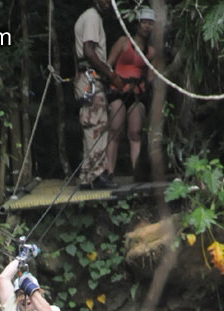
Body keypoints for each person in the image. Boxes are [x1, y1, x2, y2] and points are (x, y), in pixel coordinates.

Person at [74, 0, 125, 190]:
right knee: (97, 124)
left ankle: (87, 176)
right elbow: (89, 51)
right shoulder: (92, 17)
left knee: (91, 124)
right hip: (90, 79)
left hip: (87, 78)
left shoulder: (89, 17)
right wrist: (111, 75)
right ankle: (97, 175)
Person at [106, 7, 156, 176]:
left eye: (150, 23)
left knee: (135, 133)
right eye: (144, 22)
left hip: (137, 94)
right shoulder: (123, 42)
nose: (147, 26)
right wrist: (120, 84)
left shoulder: (151, 51)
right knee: (114, 131)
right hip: (118, 91)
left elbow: (150, 78)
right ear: (138, 24)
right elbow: (108, 65)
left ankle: (137, 172)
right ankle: (109, 171)